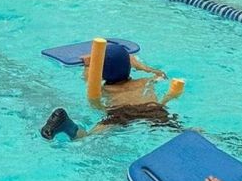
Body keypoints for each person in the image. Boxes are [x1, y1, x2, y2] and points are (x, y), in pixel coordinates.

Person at [40, 41, 186, 139]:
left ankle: (68, 127)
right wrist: (142, 66)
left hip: (120, 113)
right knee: (178, 130)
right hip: (152, 110)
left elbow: (88, 79)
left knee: (88, 137)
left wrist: (88, 64)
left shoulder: (105, 89)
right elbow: (161, 75)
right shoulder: (144, 81)